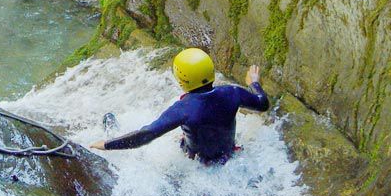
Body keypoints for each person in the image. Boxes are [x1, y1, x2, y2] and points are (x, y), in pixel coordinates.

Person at [90, 48, 269, 165]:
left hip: (195, 164)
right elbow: (262, 103)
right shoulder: (232, 93)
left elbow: (147, 134)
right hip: (229, 157)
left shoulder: (183, 109)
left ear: (183, 80)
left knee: (166, 140)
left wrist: (107, 144)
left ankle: (112, 133)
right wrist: (254, 83)